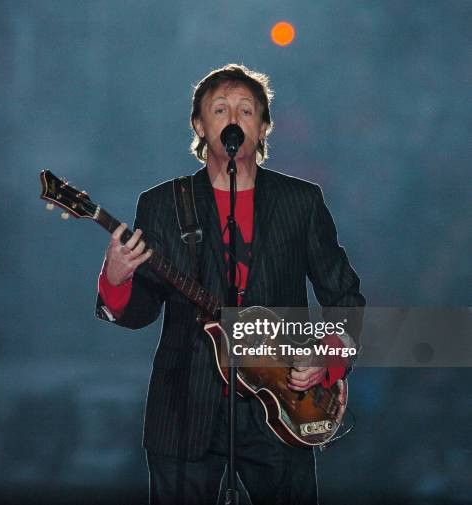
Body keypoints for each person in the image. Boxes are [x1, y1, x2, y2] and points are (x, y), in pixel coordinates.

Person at [95, 64, 365, 505]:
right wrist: (116, 277)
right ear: (200, 126)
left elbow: (345, 297)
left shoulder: (302, 202)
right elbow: (141, 311)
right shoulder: (163, 204)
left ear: (262, 128)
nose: (234, 119)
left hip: (282, 404)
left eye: (246, 110)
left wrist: (328, 359)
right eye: (220, 110)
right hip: (185, 408)